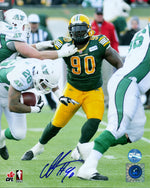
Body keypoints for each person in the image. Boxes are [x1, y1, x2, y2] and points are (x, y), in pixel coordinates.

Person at [21, 13, 123, 161]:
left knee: (95, 120)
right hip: (72, 90)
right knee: (57, 123)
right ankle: (38, 147)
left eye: (81, 29)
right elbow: (42, 47)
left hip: (93, 91)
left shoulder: (99, 43)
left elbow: (119, 63)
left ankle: (79, 148)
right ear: (70, 31)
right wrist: (23, 49)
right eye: (75, 30)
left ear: (88, 29)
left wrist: (122, 80)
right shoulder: (65, 43)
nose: (79, 33)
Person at [77, 22, 150, 180]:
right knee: (117, 127)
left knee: (135, 133)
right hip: (128, 82)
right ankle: (88, 167)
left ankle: (88, 148)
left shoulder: (142, 33)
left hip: (131, 84)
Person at [0, 58, 60, 160]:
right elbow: (12, 106)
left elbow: (50, 82)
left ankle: (0, 140)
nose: (45, 87)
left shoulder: (39, 70)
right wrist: (34, 109)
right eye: (44, 84)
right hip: (6, 95)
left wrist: (60, 96)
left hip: (10, 94)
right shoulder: (21, 77)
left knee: (19, 134)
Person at [27, 13, 57, 111]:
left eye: (35, 23)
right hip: (27, 62)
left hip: (41, 62)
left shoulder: (44, 32)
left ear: (39, 24)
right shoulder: (24, 33)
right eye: (32, 23)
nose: (34, 25)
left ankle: (52, 105)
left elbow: (52, 46)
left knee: (45, 82)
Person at [91, 7, 119, 107]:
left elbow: (115, 41)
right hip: (94, 56)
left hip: (107, 55)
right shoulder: (90, 26)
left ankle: (107, 101)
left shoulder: (110, 26)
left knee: (107, 78)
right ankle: (96, 100)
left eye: (101, 14)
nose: (99, 16)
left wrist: (115, 54)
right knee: (95, 78)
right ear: (95, 15)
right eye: (98, 14)